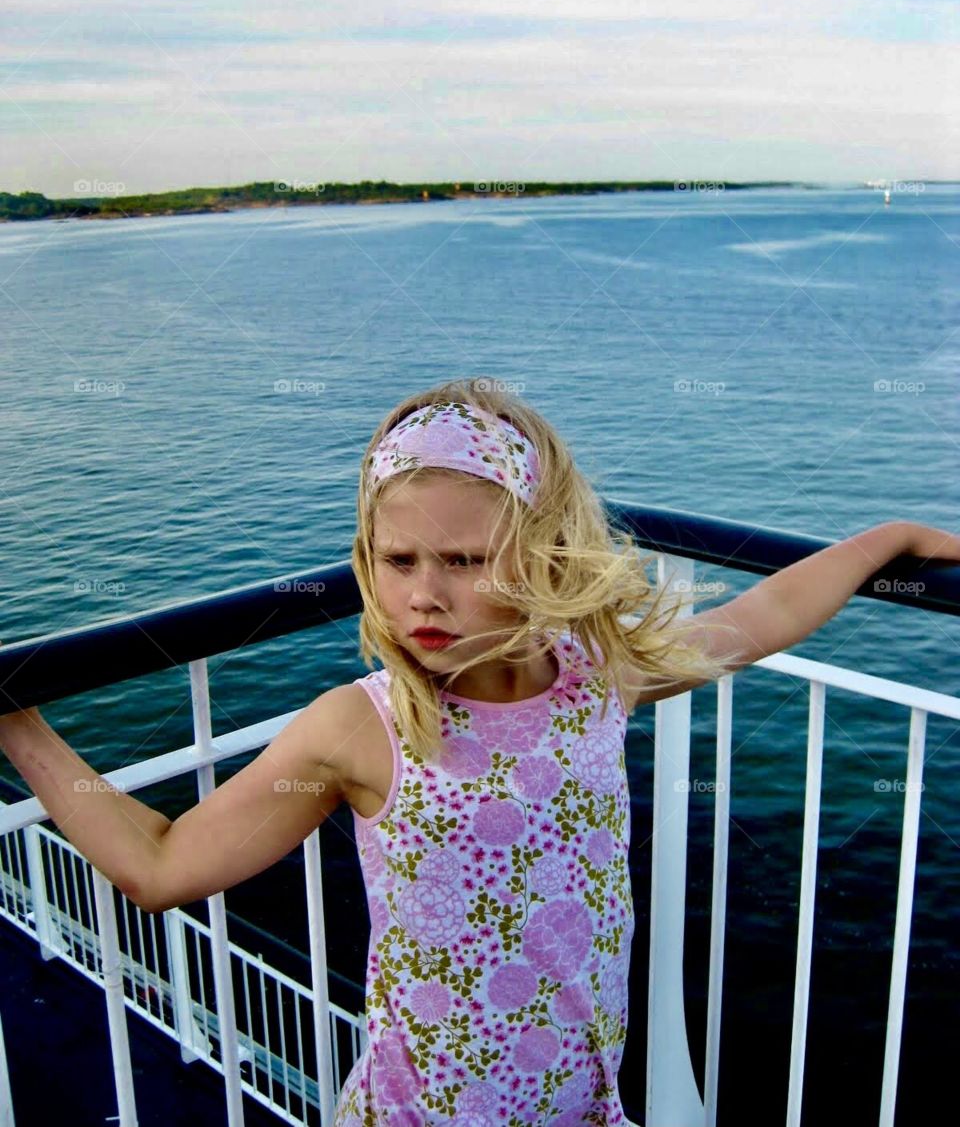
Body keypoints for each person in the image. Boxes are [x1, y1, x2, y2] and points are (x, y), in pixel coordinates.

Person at [0, 376, 957, 1127]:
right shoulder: (360, 726)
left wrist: (890, 537)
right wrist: (16, 722)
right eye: (398, 559)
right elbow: (162, 863)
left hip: (579, 1102)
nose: (423, 595)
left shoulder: (599, 674)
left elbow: (762, 615)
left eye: (463, 561)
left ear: (539, 557)